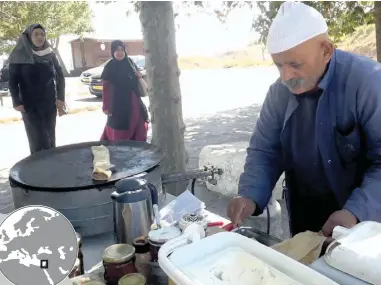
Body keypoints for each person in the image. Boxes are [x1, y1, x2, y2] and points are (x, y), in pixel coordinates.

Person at [227, 2, 381, 237]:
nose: (286, 76)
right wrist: (249, 194)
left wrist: (355, 211)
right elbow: (265, 150)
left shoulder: (368, 83)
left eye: (295, 65)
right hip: (306, 216)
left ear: (326, 51)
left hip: (365, 222)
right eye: (279, 65)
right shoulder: (278, 93)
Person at [8, 24, 65, 154]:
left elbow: (60, 75)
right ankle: (37, 171)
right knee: (38, 140)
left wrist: (61, 97)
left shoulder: (49, 53)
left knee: (50, 138)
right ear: (28, 36)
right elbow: (12, 81)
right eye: (36, 34)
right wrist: (16, 101)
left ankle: (51, 170)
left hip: (49, 103)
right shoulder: (19, 54)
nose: (40, 37)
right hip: (29, 105)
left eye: (42, 34)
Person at [100, 40, 149, 142]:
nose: (120, 52)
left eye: (122, 50)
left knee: (139, 127)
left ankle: (138, 151)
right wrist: (106, 106)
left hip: (134, 101)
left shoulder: (129, 62)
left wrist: (139, 75)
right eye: (117, 50)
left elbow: (137, 75)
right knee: (120, 131)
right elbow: (106, 88)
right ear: (112, 51)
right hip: (118, 105)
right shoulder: (110, 66)